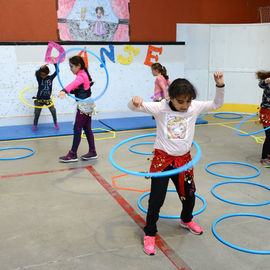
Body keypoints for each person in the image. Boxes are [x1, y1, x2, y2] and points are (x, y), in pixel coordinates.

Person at [128, 72, 225, 255]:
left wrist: (220, 85)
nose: (185, 106)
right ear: (171, 98)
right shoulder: (160, 108)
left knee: (189, 195)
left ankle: (186, 219)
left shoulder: (193, 107)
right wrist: (134, 101)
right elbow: (135, 108)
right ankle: (150, 233)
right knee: (156, 200)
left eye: (188, 101)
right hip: (163, 161)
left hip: (184, 161)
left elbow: (216, 104)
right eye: (181, 102)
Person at [58, 55, 97, 162]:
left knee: (77, 128)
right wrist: (70, 91)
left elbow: (74, 84)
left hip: (84, 106)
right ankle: (92, 151)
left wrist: (64, 90)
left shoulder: (81, 75)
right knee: (87, 128)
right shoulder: (83, 73)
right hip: (87, 104)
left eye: (72, 66)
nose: (70, 69)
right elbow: (78, 87)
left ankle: (73, 154)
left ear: (79, 66)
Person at [33, 57, 59, 131]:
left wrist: (55, 63)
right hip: (39, 99)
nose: (42, 76)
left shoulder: (50, 78)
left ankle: (55, 123)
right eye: (41, 75)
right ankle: (35, 125)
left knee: (53, 111)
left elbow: (57, 71)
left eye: (44, 75)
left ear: (47, 74)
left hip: (47, 99)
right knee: (37, 113)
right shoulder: (39, 78)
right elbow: (38, 73)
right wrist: (41, 68)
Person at [256, 71, 270, 167]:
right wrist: (267, 80)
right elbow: (260, 84)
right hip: (266, 112)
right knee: (269, 135)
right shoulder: (267, 82)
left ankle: (268, 154)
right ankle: (264, 157)